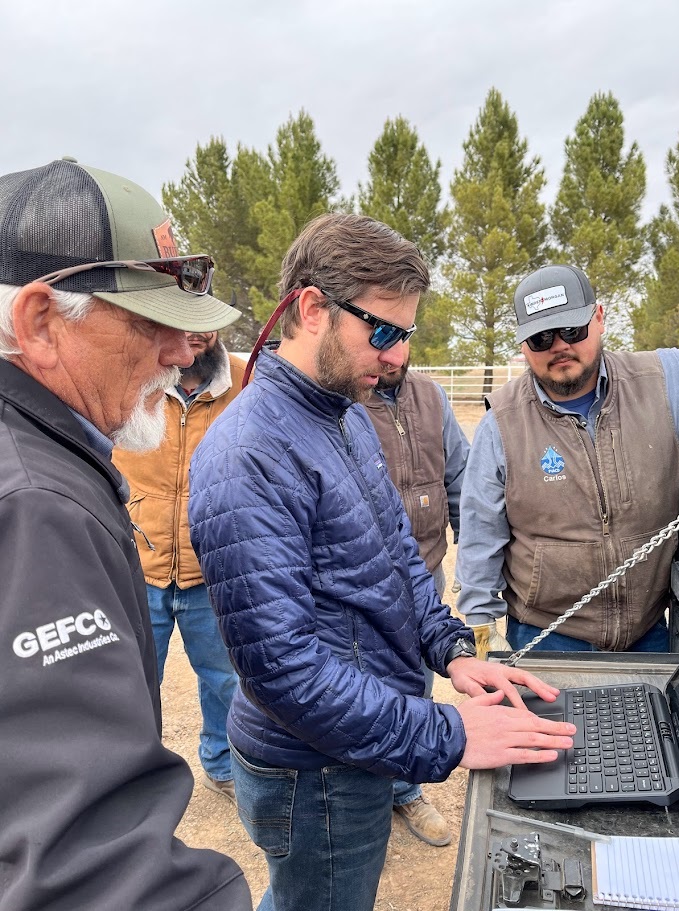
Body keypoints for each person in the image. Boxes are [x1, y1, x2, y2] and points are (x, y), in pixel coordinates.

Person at [189, 214, 574, 911]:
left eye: (407, 335)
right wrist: (445, 732)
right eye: (384, 332)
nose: (397, 356)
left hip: (362, 741)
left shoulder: (344, 415)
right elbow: (283, 667)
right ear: (311, 308)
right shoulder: (247, 452)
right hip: (315, 769)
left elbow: (397, 560)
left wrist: (453, 651)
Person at [0, 157, 251, 911]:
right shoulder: (36, 504)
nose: (181, 352)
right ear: (41, 322)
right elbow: (87, 870)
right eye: (152, 322)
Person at [457, 263, 679, 657]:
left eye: (572, 330)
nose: (559, 346)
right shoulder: (501, 423)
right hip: (546, 636)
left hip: (650, 631)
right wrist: (481, 626)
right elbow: (480, 531)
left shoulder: (666, 380)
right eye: (541, 337)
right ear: (523, 344)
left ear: (598, 317)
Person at [114, 330, 246, 803]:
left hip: (211, 565)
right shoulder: (133, 375)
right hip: (138, 561)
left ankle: (221, 763)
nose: (193, 335)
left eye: (203, 321)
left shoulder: (247, 380)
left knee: (223, 677)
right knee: (133, 679)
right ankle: (130, 776)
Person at [364, 341, 470, 846]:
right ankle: (360, 800)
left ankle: (406, 790)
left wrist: (475, 553)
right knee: (359, 688)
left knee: (416, 684)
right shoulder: (344, 401)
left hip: (425, 574)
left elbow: (460, 479)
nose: (392, 355)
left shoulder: (433, 396)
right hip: (362, 584)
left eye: (401, 340)